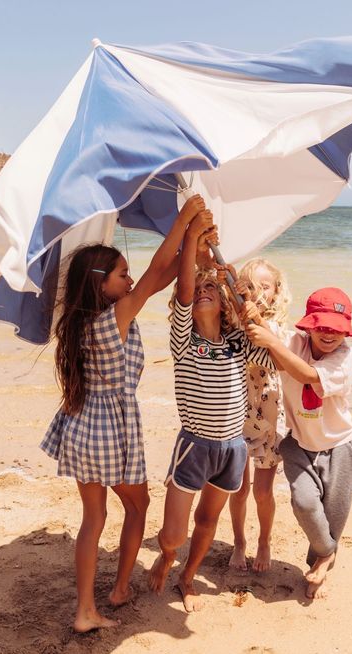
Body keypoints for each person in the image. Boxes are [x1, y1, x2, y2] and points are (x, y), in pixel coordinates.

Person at [40, 194, 209, 633]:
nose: (130, 279)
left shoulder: (78, 322)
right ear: (101, 284)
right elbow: (155, 272)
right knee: (138, 507)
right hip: (110, 429)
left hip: (80, 424)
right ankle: (116, 590)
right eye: (122, 274)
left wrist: (195, 246)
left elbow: (160, 276)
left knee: (92, 520)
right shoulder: (114, 317)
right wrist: (186, 221)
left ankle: (84, 611)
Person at [148, 219, 274, 612]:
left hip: (232, 448)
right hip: (194, 445)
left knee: (207, 521)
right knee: (172, 534)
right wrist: (190, 238)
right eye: (196, 290)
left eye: (209, 289)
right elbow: (184, 293)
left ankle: (187, 579)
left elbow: (269, 355)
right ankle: (168, 556)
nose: (201, 293)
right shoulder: (184, 340)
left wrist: (241, 298)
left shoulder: (238, 342)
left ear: (221, 302)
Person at [244, 287, 352, 598]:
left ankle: (319, 567)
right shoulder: (294, 342)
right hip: (299, 445)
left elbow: (307, 374)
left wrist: (270, 342)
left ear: (345, 331)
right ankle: (328, 553)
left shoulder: (345, 359)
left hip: (339, 447)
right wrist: (248, 305)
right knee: (305, 503)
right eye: (321, 326)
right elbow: (265, 333)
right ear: (308, 324)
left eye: (336, 328)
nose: (329, 334)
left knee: (333, 516)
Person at [227, 258, 291, 573]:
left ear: (276, 291)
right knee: (238, 487)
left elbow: (275, 349)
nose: (257, 293)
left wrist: (254, 314)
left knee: (262, 491)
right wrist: (233, 292)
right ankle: (239, 541)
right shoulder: (234, 321)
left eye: (263, 286)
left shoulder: (279, 326)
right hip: (238, 413)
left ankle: (264, 539)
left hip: (269, 415)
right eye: (249, 286)